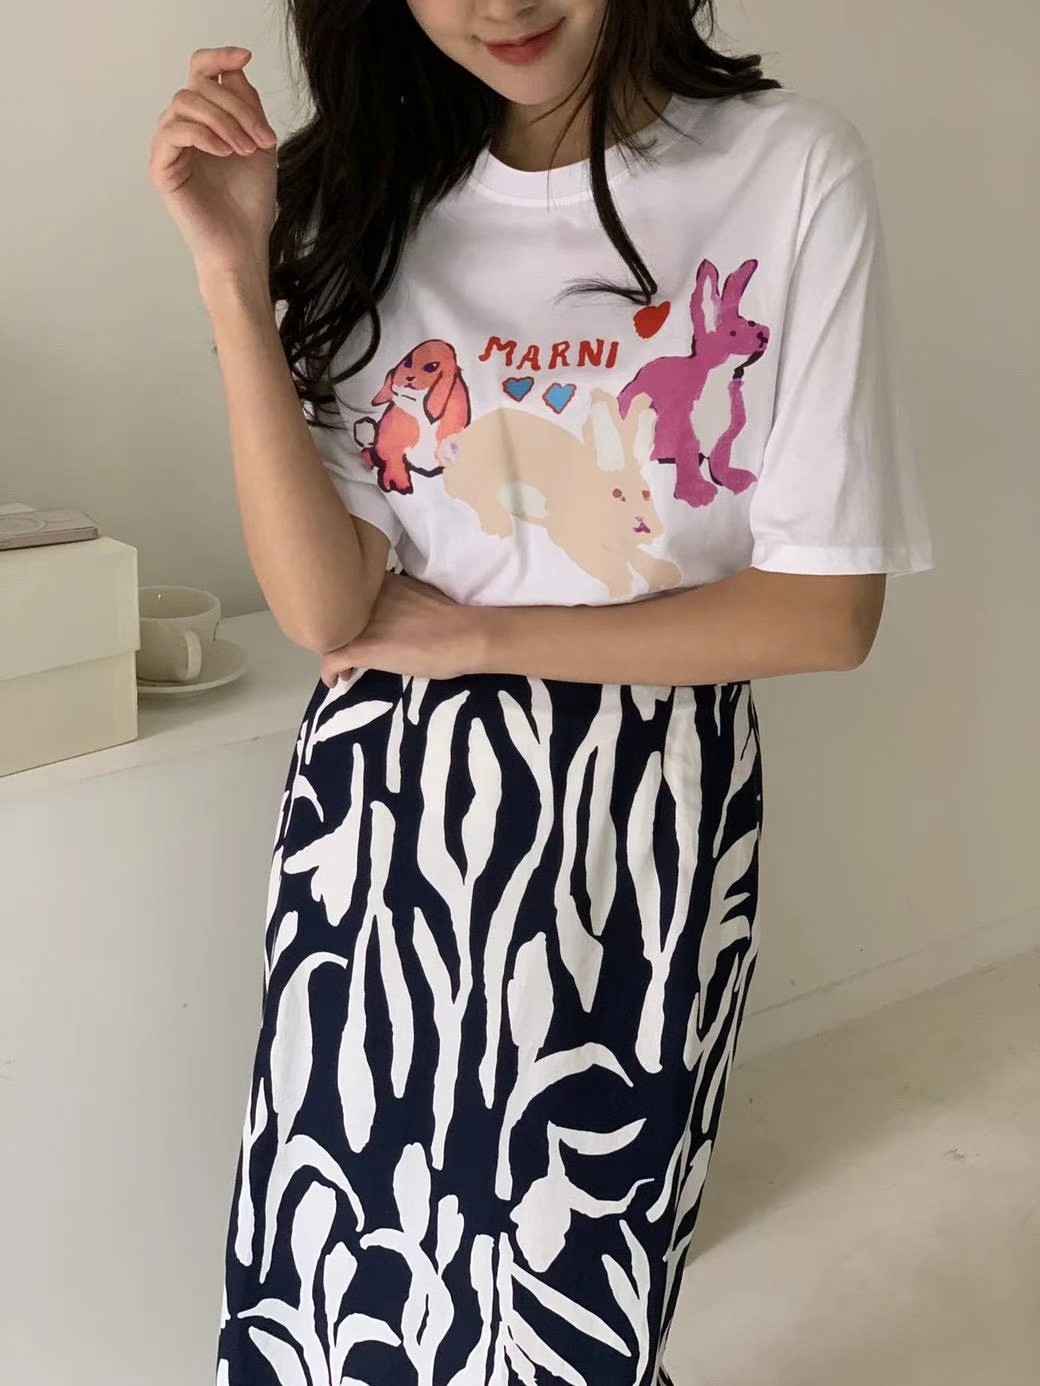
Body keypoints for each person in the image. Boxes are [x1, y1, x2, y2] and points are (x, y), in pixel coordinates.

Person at [148, 3, 933, 1382]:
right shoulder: (363, 192)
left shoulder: (788, 168)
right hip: (382, 816)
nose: (500, 5)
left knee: (570, 1288)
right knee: (336, 1273)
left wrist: (485, 638)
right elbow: (326, 606)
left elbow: (826, 614)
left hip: (638, 817)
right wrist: (231, 271)